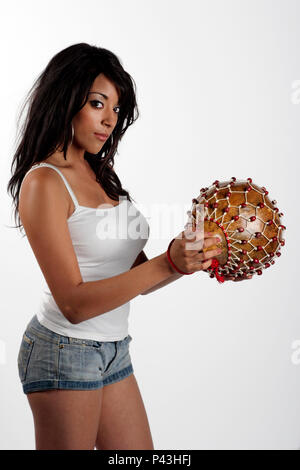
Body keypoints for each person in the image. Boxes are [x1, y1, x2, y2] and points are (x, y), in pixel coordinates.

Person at [7, 43, 244, 451]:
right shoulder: (43, 182)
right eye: (98, 103)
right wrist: (169, 263)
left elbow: (138, 279)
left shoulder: (100, 172)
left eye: (116, 109)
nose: (109, 120)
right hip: (64, 348)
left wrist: (186, 256)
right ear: (65, 100)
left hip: (115, 349)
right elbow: (74, 305)